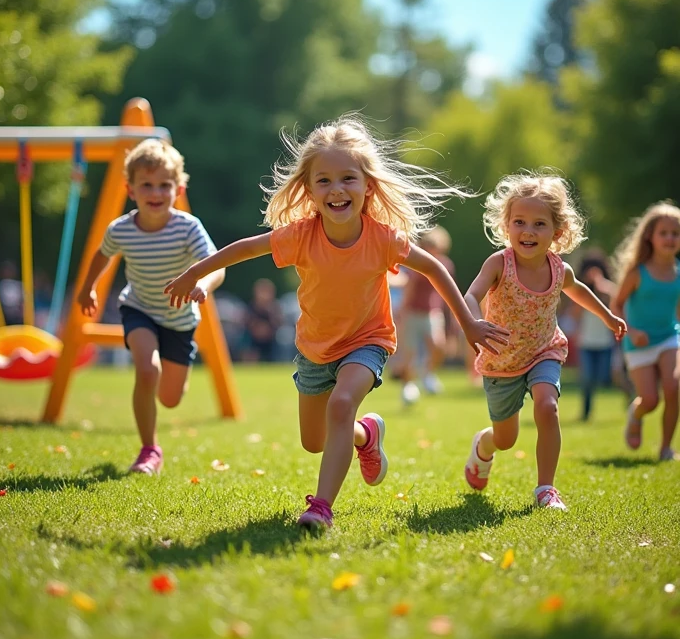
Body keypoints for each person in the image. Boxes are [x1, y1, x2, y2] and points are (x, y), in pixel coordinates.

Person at [164, 116, 508, 530]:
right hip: (315, 348)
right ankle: (367, 435)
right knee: (316, 440)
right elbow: (242, 249)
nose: (337, 189)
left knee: (341, 404)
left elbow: (434, 267)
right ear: (309, 189)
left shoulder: (381, 238)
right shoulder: (301, 235)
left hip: (369, 340)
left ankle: (321, 508)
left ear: (368, 186)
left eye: (348, 178)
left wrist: (469, 323)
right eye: (324, 180)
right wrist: (193, 273)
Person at [463, 172, 626, 512]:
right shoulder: (498, 264)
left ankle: (546, 489)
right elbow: (471, 294)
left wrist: (607, 317)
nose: (528, 231)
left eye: (539, 224)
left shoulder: (559, 269)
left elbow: (579, 291)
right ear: (506, 225)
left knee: (547, 407)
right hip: (501, 361)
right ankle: (484, 447)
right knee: (506, 439)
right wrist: (473, 322)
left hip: (543, 351)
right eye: (519, 222)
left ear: (558, 231)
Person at [77, 139, 225, 474]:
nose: (155, 193)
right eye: (147, 185)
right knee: (147, 370)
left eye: (164, 185)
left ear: (179, 188)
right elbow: (102, 254)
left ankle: (161, 389)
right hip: (138, 308)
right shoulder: (122, 230)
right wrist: (88, 288)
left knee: (170, 398)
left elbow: (217, 265)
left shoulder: (188, 228)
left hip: (180, 319)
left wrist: (201, 284)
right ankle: (149, 450)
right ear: (131, 190)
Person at [611, 201, 680, 460]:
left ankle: (665, 448)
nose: (670, 238)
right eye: (664, 233)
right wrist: (631, 331)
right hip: (637, 342)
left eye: (676, 233)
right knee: (650, 400)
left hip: (669, 338)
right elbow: (616, 304)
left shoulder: (679, 274)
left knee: (674, 388)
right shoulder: (638, 272)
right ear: (650, 236)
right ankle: (636, 413)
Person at [398, 225, 456, 404]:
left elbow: (448, 292)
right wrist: (402, 313)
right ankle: (408, 385)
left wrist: (452, 318)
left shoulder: (446, 265)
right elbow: (409, 287)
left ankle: (427, 373)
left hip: (433, 313)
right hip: (413, 312)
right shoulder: (417, 263)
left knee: (439, 346)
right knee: (410, 353)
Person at [574, 251, 617, 422]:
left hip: (605, 342)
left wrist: (600, 283)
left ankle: (631, 403)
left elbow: (616, 300)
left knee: (608, 378)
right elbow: (575, 314)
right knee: (587, 379)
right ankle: (586, 412)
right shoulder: (579, 292)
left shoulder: (607, 289)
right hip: (586, 342)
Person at [243, 278, 284, 362]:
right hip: (254, 337)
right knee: (244, 338)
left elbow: (279, 323)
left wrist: (268, 329)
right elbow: (247, 322)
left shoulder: (275, 307)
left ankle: (281, 361)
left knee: (283, 338)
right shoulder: (252, 306)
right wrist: (257, 329)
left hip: (272, 337)